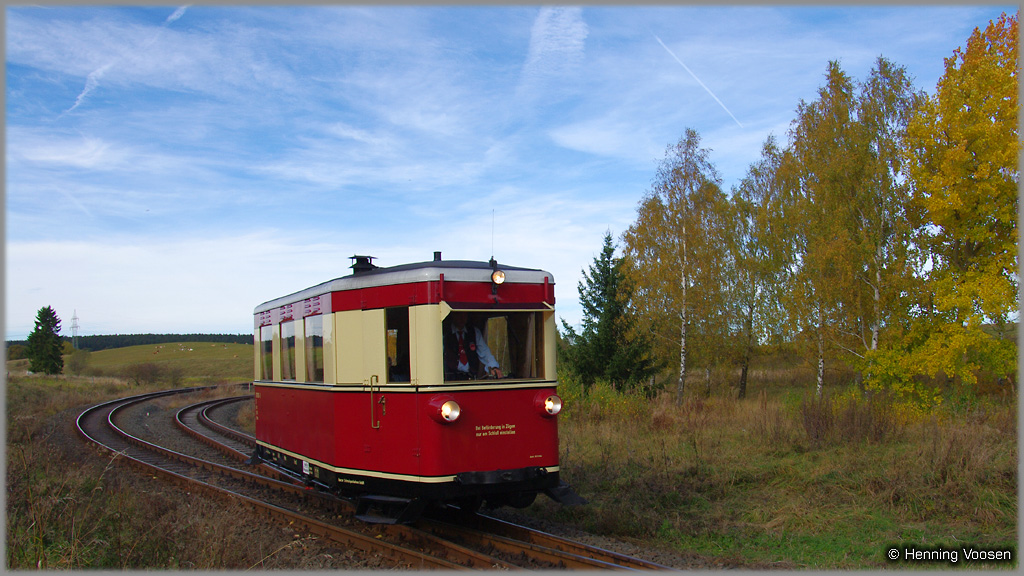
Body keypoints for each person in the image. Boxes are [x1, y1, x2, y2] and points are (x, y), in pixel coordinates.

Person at [444, 311, 503, 380]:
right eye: (459, 314)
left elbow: (484, 352)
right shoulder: (444, 333)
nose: (462, 318)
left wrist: (493, 366)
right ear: (453, 315)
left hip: (471, 379)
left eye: (464, 315)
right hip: (450, 380)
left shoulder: (474, 332)